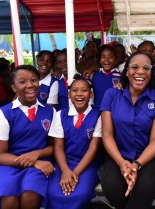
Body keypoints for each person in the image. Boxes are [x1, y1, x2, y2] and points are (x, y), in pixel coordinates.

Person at [101, 51, 155, 209]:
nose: (140, 71)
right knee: (111, 187)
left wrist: (136, 165)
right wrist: (122, 163)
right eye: (135, 67)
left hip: (147, 159)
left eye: (146, 67)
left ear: (151, 72)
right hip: (118, 155)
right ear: (127, 71)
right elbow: (107, 134)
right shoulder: (111, 95)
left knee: (145, 188)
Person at [0, 65, 55, 209]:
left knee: (30, 194)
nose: (30, 85)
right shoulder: (4, 114)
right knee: (8, 197)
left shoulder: (50, 111)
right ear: (13, 87)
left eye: (34, 80)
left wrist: (36, 155)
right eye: (23, 82)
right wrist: (32, 162)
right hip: (8, 164)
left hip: (40, 161)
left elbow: (54, 146)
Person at [47, 75, 102, 209]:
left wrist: (75, 173)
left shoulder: (99, 115)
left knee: (80, 194)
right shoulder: (60, 115)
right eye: (75, 90)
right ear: (69, 94)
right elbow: (58, 148)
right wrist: (65, 170)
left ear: (91, 94)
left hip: (88, 165)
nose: (79, 94)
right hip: (63, 163)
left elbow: (93, 149)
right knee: (54, 193)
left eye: (84, 90)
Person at [92, 45, 120, 109]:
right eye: (103, 57)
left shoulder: (121, 76)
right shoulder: (94, 75)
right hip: (97, 109)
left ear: (115, 59)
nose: (106, 60)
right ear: (99, 60)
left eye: (110, 57)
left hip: (115, 110)